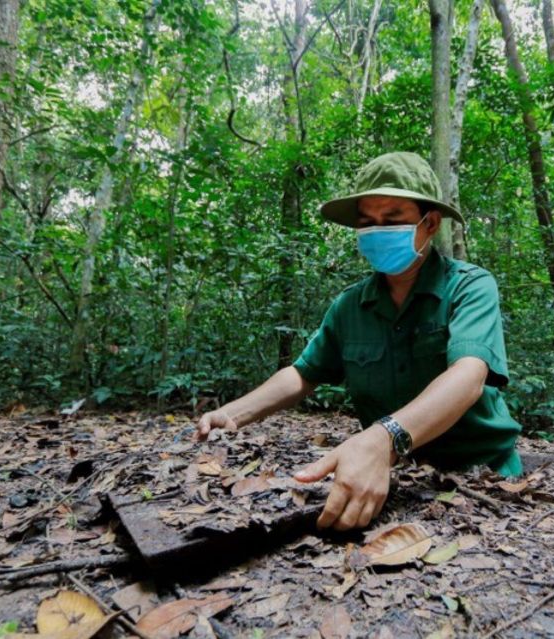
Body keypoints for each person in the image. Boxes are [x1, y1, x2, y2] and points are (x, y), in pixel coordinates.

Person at [197, 151, 522, 531]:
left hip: (483, 477)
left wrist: (385, 437)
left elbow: (468, 376)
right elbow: (303, 374)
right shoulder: (350, 305)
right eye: (368, 222)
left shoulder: (470, 286)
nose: (377, 230)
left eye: (392, 220)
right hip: (400, 479)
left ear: (430, 223)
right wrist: (232, 414)